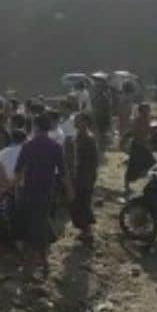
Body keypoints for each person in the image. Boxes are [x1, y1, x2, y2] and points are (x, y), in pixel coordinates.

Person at [15, 114, 70, 277]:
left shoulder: (28, 146)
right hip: (47, 193)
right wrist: (69, 192)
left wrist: (17, 191)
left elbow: (18, 172)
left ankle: (31, 267)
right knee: (41, 225)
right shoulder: (55, 147)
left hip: (29, 192)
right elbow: (63, 172)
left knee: (32, 229)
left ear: (36, 127)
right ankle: (43, 263)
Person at [70, 114, 99, 242]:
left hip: (85, 176)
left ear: (86, 122)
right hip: (80, 175)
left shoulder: (88, 138)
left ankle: (87, 232)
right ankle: (84, 230)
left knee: (83, 203)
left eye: (79, 121)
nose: (76, 123)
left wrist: (89, 177)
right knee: (79, 203)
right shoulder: (79, 136)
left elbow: (93, 161)